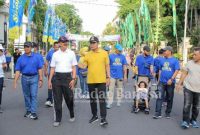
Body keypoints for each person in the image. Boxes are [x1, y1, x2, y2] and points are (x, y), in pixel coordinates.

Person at [78, 36, 110, 126]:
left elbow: (107, 66)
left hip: (101, 80)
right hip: (91, 81)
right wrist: (77, 63)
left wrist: (108, 77)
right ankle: (94, 116)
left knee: (102, 100)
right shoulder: (87, 54)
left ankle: (103, 118)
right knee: (92, 100)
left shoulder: (104, 53)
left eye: (93, 43)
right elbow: (84, 66)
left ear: (97, 43)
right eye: (90, 43)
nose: (91, 45)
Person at [48, 36, 77, 127]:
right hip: (57, 78)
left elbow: (74, 68)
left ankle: (71, 113)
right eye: (63, 43)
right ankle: (58, 119)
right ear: (59, 43)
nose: (64, 45)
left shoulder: (71, 53)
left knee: (69, 99)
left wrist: (73, 79)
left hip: (68, 78)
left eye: (66, 43)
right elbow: (52, 68)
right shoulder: (55, 54)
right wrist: (49, 81)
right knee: (57, 100)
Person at [13, 42, 43, 120]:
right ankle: (28, 110)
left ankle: (33, 112)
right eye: (25, 47)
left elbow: (40, 68)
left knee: (33, 95)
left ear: (31, 48)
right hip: (24, 78)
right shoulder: (21, 58)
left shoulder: (36, 57)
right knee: (26, 95)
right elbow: (17, 71)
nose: (26, 48)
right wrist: (15, 81)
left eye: (28, 47)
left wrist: (41, 79)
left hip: (34, 77)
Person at [153, 46, 180, 119]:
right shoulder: (161, 60)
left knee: (169, 98)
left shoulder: (175, 60)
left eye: (165, 51)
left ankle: (168, 112)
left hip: (170, 82)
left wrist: (171, 79)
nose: (164, 52)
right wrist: (158, 81)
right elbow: (160, 70)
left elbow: (177, 70)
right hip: (162, 81)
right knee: (159, 97)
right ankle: (158, 113)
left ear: (169, 51)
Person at [177, 47, 200, 129]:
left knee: (196, 106)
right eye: (193, 54)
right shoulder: (189, 63)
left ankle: (193, 120)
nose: (193, 56)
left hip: (198, 90)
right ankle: (185, 121)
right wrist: (179, 84)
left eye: (195, 55)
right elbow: (184, 74)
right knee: (187, 105)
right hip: (188, 88)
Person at [107, 44, 127, 108]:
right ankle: (109, 102)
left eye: (121, 51)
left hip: (120, 76)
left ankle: (119, 101)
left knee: (120, 89)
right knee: (110, 89)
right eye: (119, 50)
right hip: (112, 76)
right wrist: (108, 75)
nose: (120, 52)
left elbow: (124, 66)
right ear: (116, 50)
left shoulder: (123, 57)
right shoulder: (110, 56)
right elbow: (108, 66)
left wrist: (125, 76)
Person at [44, 41, 60, 107]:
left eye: (58, 47)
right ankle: (49, 100)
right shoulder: (50, 53)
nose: (56, 48)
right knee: (50, 85)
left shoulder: (62, 53)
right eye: (55, 47)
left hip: (59, 72)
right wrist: (45, 70)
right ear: (53, 47)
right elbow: (47, 61)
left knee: (57, 87)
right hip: (51, 72)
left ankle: (56, 100)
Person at [0, 45, 7, 113]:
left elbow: (5, 68)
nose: (1, 52)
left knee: (0, 92)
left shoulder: (3, 56)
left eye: (1, 50)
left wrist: (5, 66)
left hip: (1, 76)